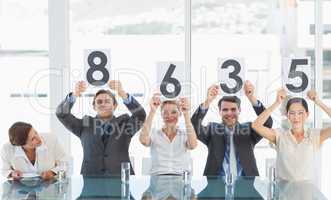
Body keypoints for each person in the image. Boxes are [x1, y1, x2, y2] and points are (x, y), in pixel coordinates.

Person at [56, 80, 146, 175]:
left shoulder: (125, 123)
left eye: (107, 101)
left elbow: (140, 115)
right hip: (91, 179)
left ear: (114, 106)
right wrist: (75, 94)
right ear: (94, 107)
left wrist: (122, 93)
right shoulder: (84, 124)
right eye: (99, 102)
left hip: (120, 178)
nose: (103, 104)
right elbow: (61, 114)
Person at [191, 81, 273, 176]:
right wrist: (207, 101)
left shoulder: (250, 129)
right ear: (220, 112)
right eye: (225, 110)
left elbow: (267, 123)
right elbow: (193, 126)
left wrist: (251, 98)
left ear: (239, 110)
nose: (229, 113)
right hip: (216, 184)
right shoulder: (212, 129)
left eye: (233, 109)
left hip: (246, 183)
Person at [252, 89, 331, 182]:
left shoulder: (314, 136)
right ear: (287, 115)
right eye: (292, 113)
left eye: (300, 113)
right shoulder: (280, 136)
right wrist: (277, 103)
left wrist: (318, 102)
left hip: (306, 193)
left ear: (307, 114)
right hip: (283, 193)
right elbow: (256, 125)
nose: (296, 117)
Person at [139, 93, 197, 175]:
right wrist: (152, 111)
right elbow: (143, 140)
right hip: (158, 178)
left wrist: (186, 113)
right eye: (165, 113)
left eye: (174, 112)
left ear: (179, 114)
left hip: (180, 178)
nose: (169, 116)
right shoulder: (154, 133)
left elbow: (193, 145)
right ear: (161, 115)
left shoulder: (185, 134)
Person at [1, 122, 66, 181]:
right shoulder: (7, 149)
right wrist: (12, 174)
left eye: (35, 132)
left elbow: (65, 163)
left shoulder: (51, 139)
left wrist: (52, 172)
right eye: (32, 139)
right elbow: (5, 170)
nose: (38, 138)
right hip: (22, 189)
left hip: (48, 187)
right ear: (22, 145)